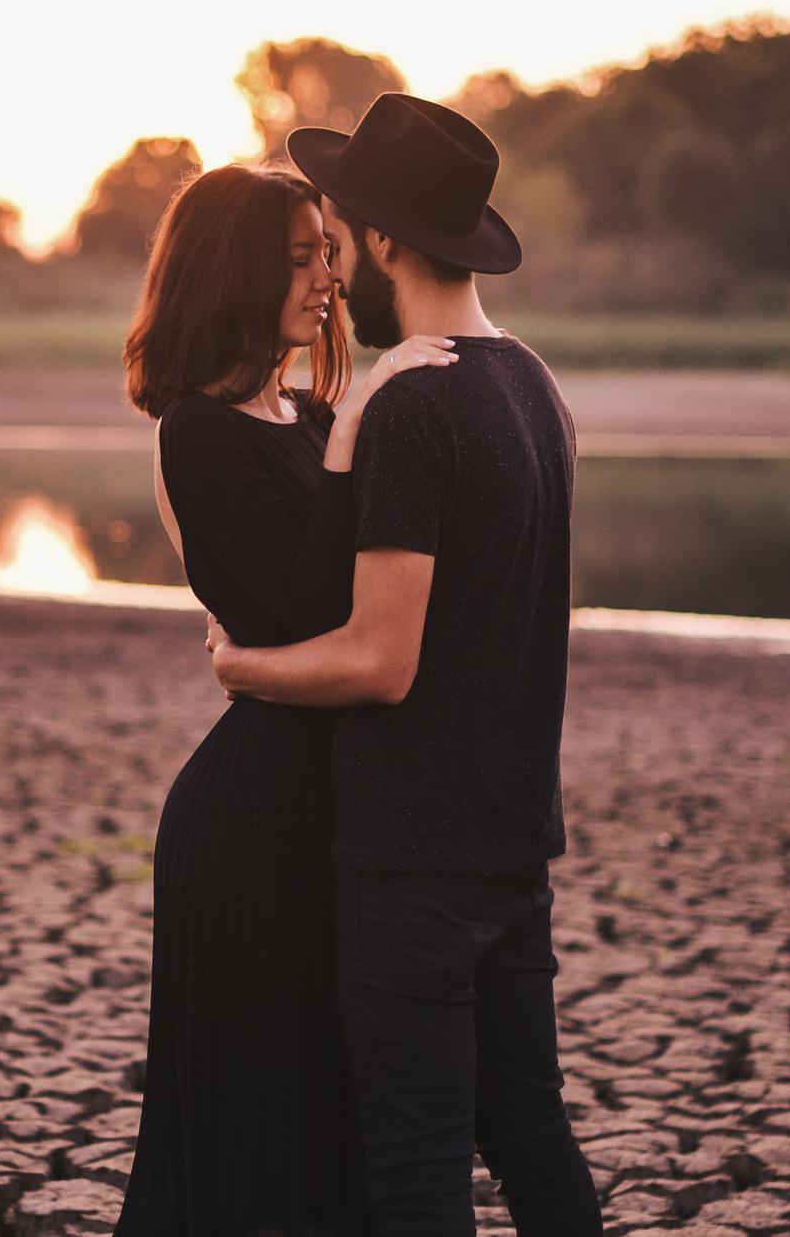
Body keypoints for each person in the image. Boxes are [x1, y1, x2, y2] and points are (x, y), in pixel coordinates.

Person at [210, 94, 603, 1237]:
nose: (330, 272)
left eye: (335, 242)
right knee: (531, 1131)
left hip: (410, 862)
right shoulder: (533, 385)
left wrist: (243, 666)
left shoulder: (414, 406)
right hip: (512, 842)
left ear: (384, 242)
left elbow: (383, 661)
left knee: (415, 1165)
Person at [116, 162, 457, 1237]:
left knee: (329, 1112)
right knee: (255, 1120)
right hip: (254, 823)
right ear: (234, 270)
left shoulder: (307, 415)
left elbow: (372, 605)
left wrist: (348, 427)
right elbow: (291, 612)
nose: (328, 278)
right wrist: (355, 433)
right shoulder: (197, 428)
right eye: (300, 257)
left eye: (328, 252)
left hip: (333, 807)